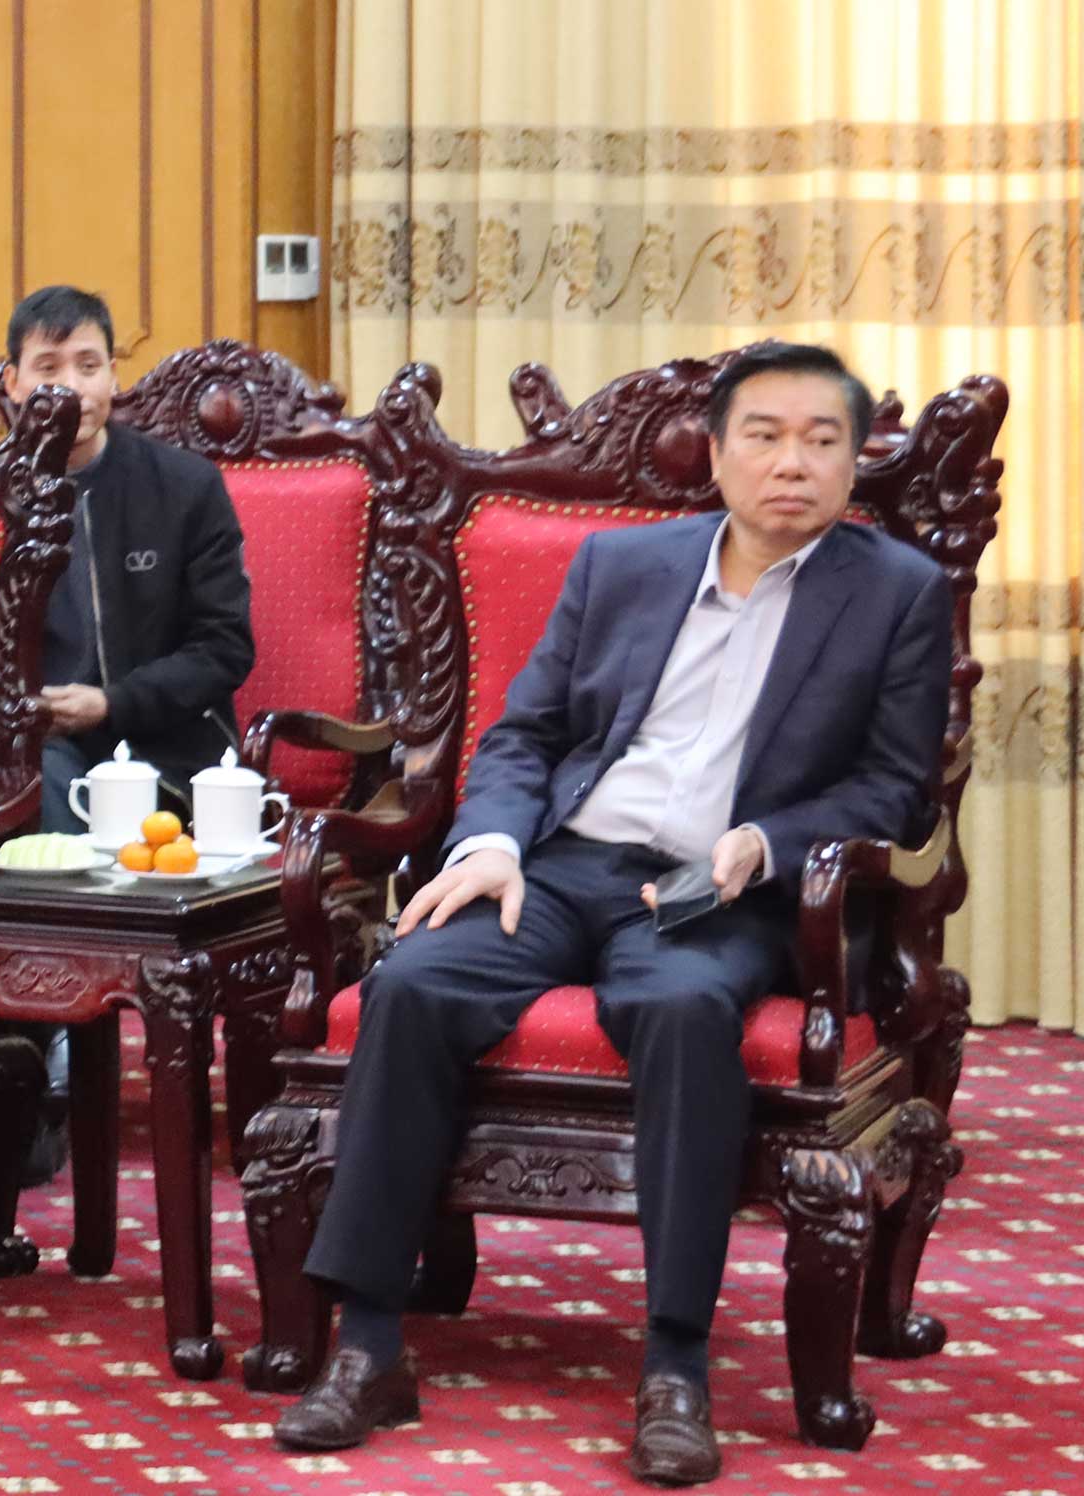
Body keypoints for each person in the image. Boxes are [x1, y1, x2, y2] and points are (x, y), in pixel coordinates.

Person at [272, 343, 951, 1488]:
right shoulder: (625, 563)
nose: (791, 462)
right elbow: (526, 733)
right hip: (562, 863)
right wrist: (491, 842)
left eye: (821, 440)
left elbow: (894, 787)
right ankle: (370, 1343)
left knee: (683, 1008)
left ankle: (675, 1364)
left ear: (852, 462)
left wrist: (768, 841)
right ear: (717, 453)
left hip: (716, 886)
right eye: (765, 436)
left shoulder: (896, 591)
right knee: (412, 981)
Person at [0, 285, 255, 1186]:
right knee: (27, 780)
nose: (70, 386)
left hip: (171, 758)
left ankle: (53, 1057)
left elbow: (224, 649)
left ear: (116, 378)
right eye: (47, 367)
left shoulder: (182, 487)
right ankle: (12, 1062)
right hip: (27, 756)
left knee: (48, 783)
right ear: (9, 384)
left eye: (88, 365)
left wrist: (112, 705)